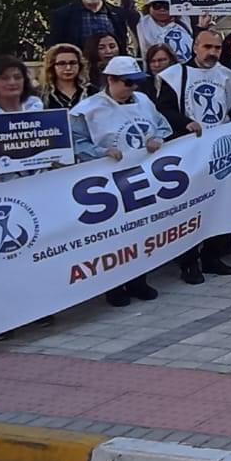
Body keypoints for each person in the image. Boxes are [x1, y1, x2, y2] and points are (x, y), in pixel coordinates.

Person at [71, 56, 169, 305]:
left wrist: (156, 138)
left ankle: (139, 281)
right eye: (127, 83)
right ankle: (113, 287)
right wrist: (100, 153)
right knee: (113, 236)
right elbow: (75, 142)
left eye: (136, 83)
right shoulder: (87, 110)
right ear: (111, 80)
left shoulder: (144, 101)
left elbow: (161, 125)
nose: (132, 88)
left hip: (141, 178)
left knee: (141, 230)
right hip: (107, 182)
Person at [153, 27, 231, 283]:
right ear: (195, 47)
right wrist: (184, 123)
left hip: (218, 149)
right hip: (189, 150)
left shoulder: (226, 75)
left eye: (217, 48)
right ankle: (188, 262)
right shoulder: (174, 75)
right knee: (189, 208)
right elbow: (164, 110)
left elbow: (229, 112)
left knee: (219, 205)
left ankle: (212, 256)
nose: (212, 53)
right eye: (207, 47)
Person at [47, 0, 138, 56]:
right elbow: (55, 51)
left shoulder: (117, 15)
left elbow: (128, 6)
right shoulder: (62, 16)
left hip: (112, 68)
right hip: (80, 69)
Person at [136, 0, 193, 65]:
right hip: (155, 70)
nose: (162, 9)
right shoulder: (142, 23)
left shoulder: (184, 20)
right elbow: (127, 7)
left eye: (166, 6)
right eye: (157, 6)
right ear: (149, 8)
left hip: (185, 69)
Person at [40, 43, 89, 111]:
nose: (68, 68)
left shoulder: (91, 92)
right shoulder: (41, 94)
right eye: (62, 63)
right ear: (52, 66)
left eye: (72, 63)